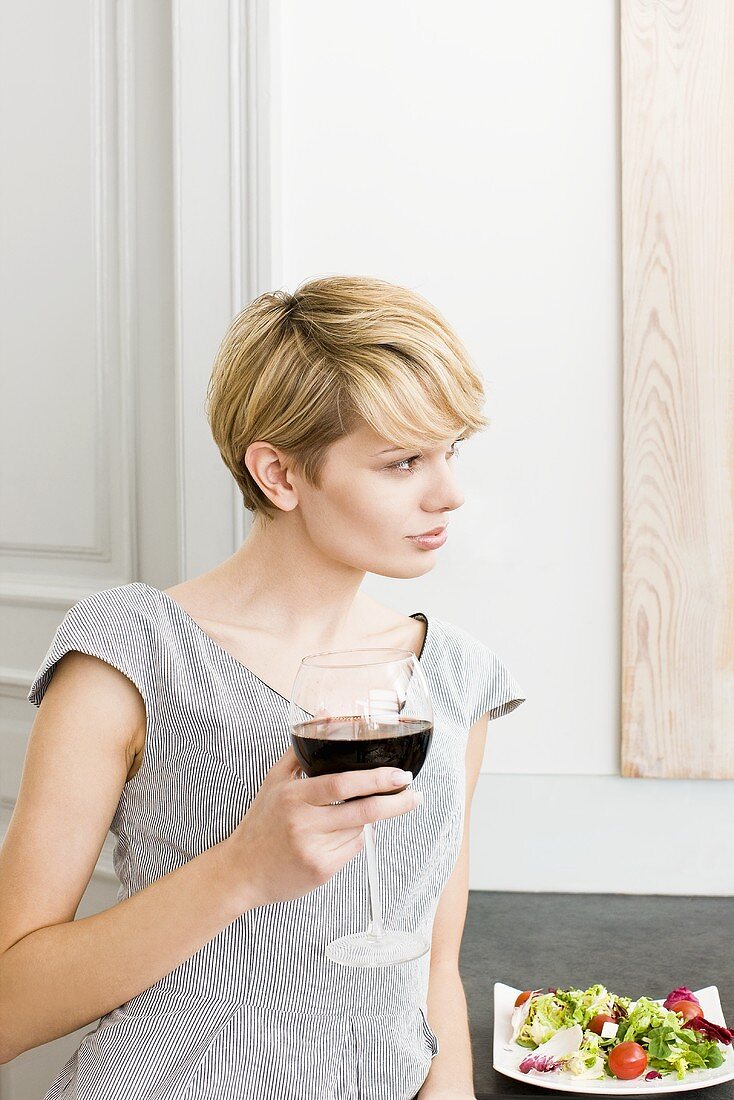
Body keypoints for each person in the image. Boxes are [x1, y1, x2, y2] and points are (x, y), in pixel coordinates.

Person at [0, 275, 526, 1099]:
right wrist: (241, 871)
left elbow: (433, 967)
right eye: (402, 461)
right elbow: (7, 1009)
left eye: (451, 450)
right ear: (279, 474)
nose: (449, 492)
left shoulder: (455, 678)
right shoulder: (131, 654)